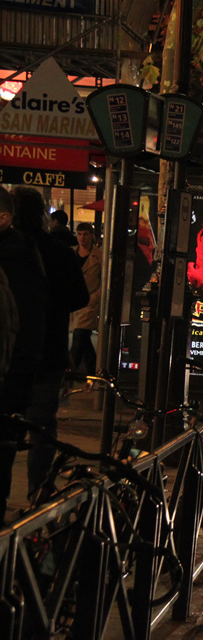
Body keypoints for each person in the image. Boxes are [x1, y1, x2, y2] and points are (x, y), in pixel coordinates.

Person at [11, 187, 88, 502]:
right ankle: (38, 492)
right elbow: (79, 298)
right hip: (48, 351)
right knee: (42, 426)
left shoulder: (8, 250)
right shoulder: (60, 252)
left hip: (9, 355)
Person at [0, 187, 48, 524]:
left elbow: (15, 327)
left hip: (13, 376)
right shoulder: (30, 255)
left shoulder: (13, 260)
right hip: (23, 372)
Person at [69, 222, 102, 375]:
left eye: (85, 234)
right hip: (73, 302)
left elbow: (104, 281)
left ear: (91, 235)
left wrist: (95, 297)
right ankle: (93, 371)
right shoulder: (71, 253)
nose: (82, 237)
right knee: (84, 341)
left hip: (88, 302)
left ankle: (69, 372)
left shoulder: (98, 256)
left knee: (79, 335)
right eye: (79, 234)